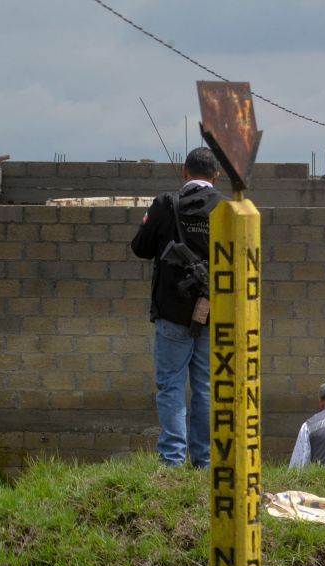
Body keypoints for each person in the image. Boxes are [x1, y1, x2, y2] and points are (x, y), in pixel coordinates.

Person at [129, 148, 223, 469]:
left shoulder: (166, 205)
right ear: (217, 176)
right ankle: (204, 460)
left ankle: (171, 460)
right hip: (213, 313)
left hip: (171, 311)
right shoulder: (227, 210)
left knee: (170, 385)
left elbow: (140, 248)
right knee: (205, 387)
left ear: (184, 172)